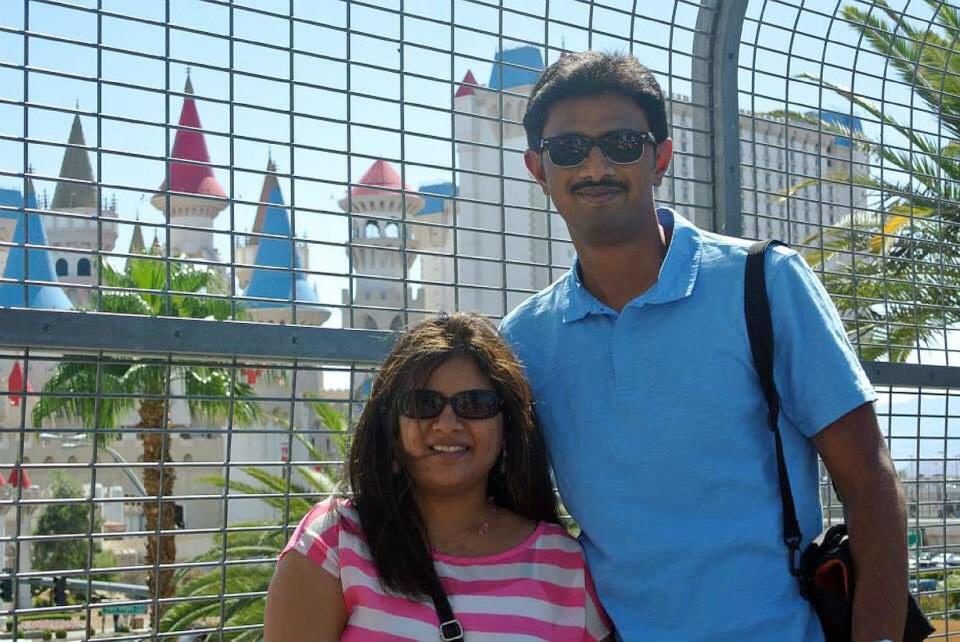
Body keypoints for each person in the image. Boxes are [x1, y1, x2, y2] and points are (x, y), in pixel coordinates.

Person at [500, 51, 908, 642]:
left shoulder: (764, 283)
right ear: (539, 167)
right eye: (569, 149)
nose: (596, 165)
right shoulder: (524, 339)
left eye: (621, 143)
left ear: (660, 158)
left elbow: (870, 480)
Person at [264, 313, 612, 641]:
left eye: (475, 404)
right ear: (391, 424)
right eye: (422, 403)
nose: (447, 423)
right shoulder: (335, 541)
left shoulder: (560, 562)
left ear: (507, 427)